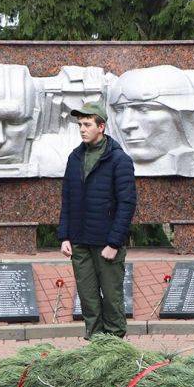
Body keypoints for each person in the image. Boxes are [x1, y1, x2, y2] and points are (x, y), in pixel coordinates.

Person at [58, 102, 136, 339]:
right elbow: (67, 199)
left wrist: (114, 243)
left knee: (112, 300)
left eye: (87, 124)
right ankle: (95, 349)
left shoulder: (119, 160)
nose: (82, 129)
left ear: (101, 127)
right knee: (88, 300)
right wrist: (64, 236)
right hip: (80, 242)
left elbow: (127, 204)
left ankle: (114, 350)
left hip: (106, 245)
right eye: (80, 124)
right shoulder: (75, 158)